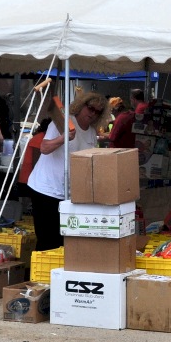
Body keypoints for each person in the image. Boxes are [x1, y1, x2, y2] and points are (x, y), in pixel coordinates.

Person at [27, 91, 108, 251]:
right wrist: (63, 138)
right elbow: (44, 147)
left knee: (65, 240)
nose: (93, 114)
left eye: (98, 112)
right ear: (81, 105)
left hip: (69, 193)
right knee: (48, 240)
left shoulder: (91, 132)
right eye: (91, 108)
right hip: (45, 189)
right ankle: (40, 274)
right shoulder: (63, 123)